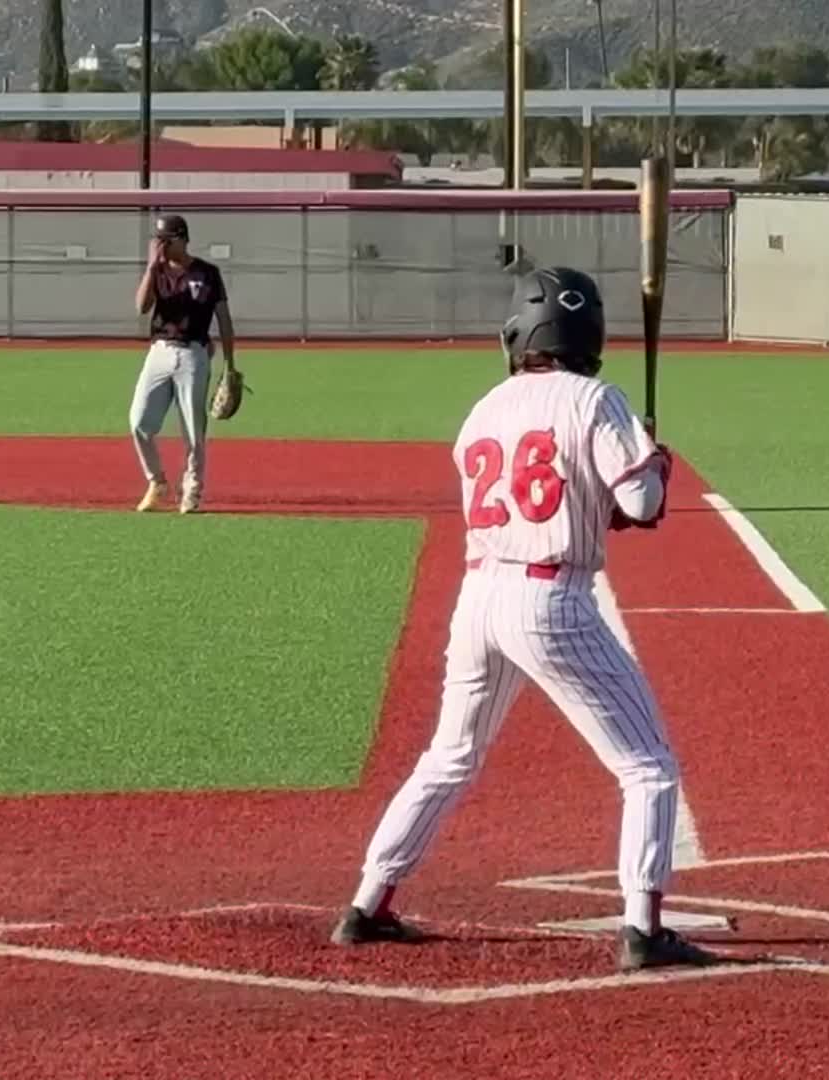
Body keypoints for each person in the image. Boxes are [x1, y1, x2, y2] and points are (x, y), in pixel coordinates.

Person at [327, 266, 717, 973]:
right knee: (648, 767)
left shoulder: (485, 407)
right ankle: (642, 927)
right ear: (589, 333)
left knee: (449, 758)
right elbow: (640, 506)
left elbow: (558, 497)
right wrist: (652, 460)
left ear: (520, 332)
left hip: (478, 598)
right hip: (551, 601)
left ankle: (369, 901)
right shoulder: (597, 399)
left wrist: (623, 481)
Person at [130, 214, 237, 514]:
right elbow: (141, 307)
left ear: (182, 239)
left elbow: (224, 319)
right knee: (139, 422)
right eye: (158, 240)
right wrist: (152, 266)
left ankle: (192, 490)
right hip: (160, 352)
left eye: (166, 240)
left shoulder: (207, 273)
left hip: (193, 354)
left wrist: (230, 364)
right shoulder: (158, 271)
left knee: (193, 429)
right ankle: (157, 482)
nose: (160, 245)